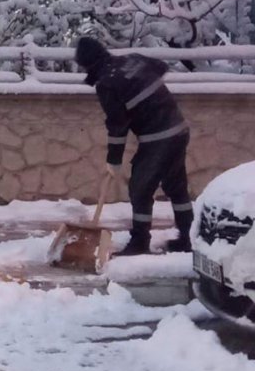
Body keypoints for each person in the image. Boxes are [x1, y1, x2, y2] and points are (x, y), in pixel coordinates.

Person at [74, 36, 193, 255]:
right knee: (176, 187)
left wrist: (114, 161)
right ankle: (188, 237)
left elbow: (118, 125)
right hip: (178, 128)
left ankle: (140, 242)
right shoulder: (133, 59)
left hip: (158, 136)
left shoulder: (106, 84)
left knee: (140, 189)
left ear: (86, 64)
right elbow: (160, 66)